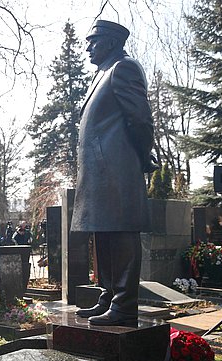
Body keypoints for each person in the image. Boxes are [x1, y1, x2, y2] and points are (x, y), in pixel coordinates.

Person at [72, 20, 154, 326]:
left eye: (93, 41)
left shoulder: (124, 68)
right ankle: (108, 296)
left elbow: (141, 120)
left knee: (120, 234)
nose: (88, 47)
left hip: (118, 170)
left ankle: (124, 305)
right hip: (97, 172)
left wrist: (143, 157)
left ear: (110, 42)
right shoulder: (102, 73)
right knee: (103, 233)